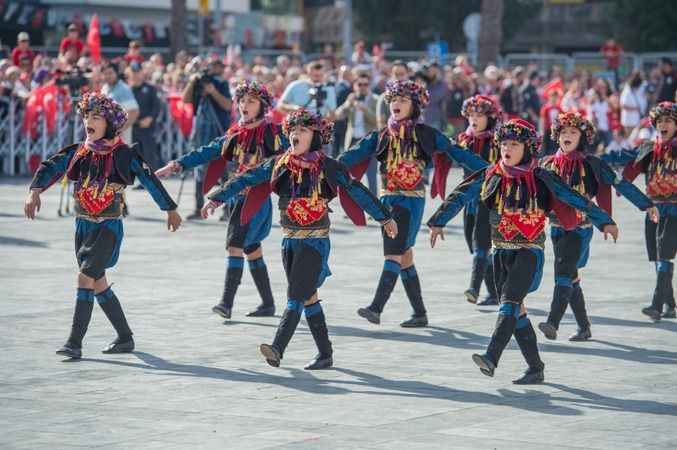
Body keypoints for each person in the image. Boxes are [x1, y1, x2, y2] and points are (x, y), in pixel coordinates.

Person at [201, 109, 397, 370]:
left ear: (315, 136)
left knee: (295, 296)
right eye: (293, 130)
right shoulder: (279, 164)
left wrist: (384, 217)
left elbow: (356, 190)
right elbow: (245, 178)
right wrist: (217, 198)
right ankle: (325, 353)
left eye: (303, 130)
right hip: (289, 241)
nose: (295, 134)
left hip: (315, 242)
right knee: (308, 296)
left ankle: (277, 348)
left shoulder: (329, 167)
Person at [428, 118, 619, 384]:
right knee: (517, 311)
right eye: (504, 143)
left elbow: (574, 198)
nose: (507, 148)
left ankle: (491, 356)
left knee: (508, 303)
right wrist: (438, 221)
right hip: (500, 252)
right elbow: (460, 194)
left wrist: (604, 221)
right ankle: (535, 368)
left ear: (527, 147)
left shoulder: (542, 176)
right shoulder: (491, 173)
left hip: (529, 251)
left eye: (514, 144)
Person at [24, 93, 181, 359]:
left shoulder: (125, 154)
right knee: (97, 283)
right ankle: (125, 337)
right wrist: (34, 191)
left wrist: (170, 208)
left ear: (109, 123)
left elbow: (149, 178)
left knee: (85, 277)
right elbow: (52, 166)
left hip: (108, 227)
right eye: (86, 116)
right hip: (83, 226)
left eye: (96, 117)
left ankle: (74, 342)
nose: (89, 121)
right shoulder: (79, 151)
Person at [339, 80, 488, 327]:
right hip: (386, 201)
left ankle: (376, 307)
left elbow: (459, 153)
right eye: (393, 100)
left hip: (410, 203)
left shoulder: (427, 135)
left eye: (403, 100)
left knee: (393, 253)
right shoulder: (380, 136)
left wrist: (491, 170)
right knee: (404, 256)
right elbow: (349, 156)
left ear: (416, 106)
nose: (396, 104)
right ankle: (419, 313)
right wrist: (326, 167)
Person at [156, 81, 284, 319]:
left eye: (251, 101)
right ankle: (268, 304)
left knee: (234, 246)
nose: (245, 105)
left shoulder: (273, 133)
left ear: (262, 105)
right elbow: (208, 150)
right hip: (235, 197)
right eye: (242, 101)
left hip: (255, 200)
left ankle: (226, 303)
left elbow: (290, 157)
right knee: (251, 248)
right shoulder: (235, 132)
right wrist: (176, 165)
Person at [539, 112, 654, 341]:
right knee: (570, 274)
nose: (567, 136)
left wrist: (646, 205)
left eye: (573, 132)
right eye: (563, 132)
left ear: (582, 137)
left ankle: (553, 322)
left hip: (580, 228)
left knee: (563, 272)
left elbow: (621, 183)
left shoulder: (593, 164)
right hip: (555, 227)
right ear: (557, 136)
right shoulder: (547, 164)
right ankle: (584, 327)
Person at [603, 102, 677, 321]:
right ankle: (670, 304)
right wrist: (599, 161)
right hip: (653, 208)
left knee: (664, 254)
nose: (664, 125)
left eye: (669, 121)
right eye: (660, 121)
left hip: (674, 209)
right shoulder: (649, 148)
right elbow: (629, 160)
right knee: (656, 256)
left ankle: (656, 304)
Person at [457, 95, 502, 306]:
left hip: (490, 198)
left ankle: (474, 287)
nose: (474, 119)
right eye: (471, 115)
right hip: (470, 199)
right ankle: (494, 292)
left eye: (479, 115)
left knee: (481, 243)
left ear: (489, 118)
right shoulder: (464, 139)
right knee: (472, 243)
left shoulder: (498, 141)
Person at [181, 58, 232, 219]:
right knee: (198, 167)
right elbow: (186, 99)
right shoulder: (198, 81)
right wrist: (192, 81)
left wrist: (213, 91)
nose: (217, 69)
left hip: (218, 131)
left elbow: (228, 105)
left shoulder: (222, 84)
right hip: (200, 132)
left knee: (222, 169)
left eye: (219, 66)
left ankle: (228, 209)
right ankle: (198, 207)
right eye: (214, 66)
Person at [335, 72, 379, 196]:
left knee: (371, 177)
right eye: (360, 84)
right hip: (353, 141)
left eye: (366, 84)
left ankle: (376, 209)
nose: (362, 87)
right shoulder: (351, 99)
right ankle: (352, 206)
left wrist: (365, 110)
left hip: (369, 142)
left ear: (369, 85)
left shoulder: (376, 100)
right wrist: (348, 104)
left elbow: (378, 121)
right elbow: (338, 115)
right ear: (355, 86)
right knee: (350, 176)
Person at [127, 63, 162, 172]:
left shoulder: (150, 88)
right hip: (132, 126)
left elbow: (156, 106)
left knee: (148, 153)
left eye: (137, 72)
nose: (136, 75)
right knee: (135, 154)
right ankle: (140, 178)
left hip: (147, 126)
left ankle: (153, 178)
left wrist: (150, 118)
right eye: (133, 72)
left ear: (142, 73)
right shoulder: (128, 90)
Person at [101, 62, 139, 145]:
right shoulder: (105, 88)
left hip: (121, 139)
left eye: (110, 73)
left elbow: (134, 112)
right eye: (105, 74)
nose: (108, 76)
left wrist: (120, 130)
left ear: (116, 73)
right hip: (107, 137)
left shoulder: (124, 89)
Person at [620, 71, 648, 138]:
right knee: (630, 139)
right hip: (629, 120)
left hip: (639, 119)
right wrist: (635, 108)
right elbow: (623, 105)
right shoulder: (627, 89)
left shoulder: (643, 86)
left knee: (639, 139)